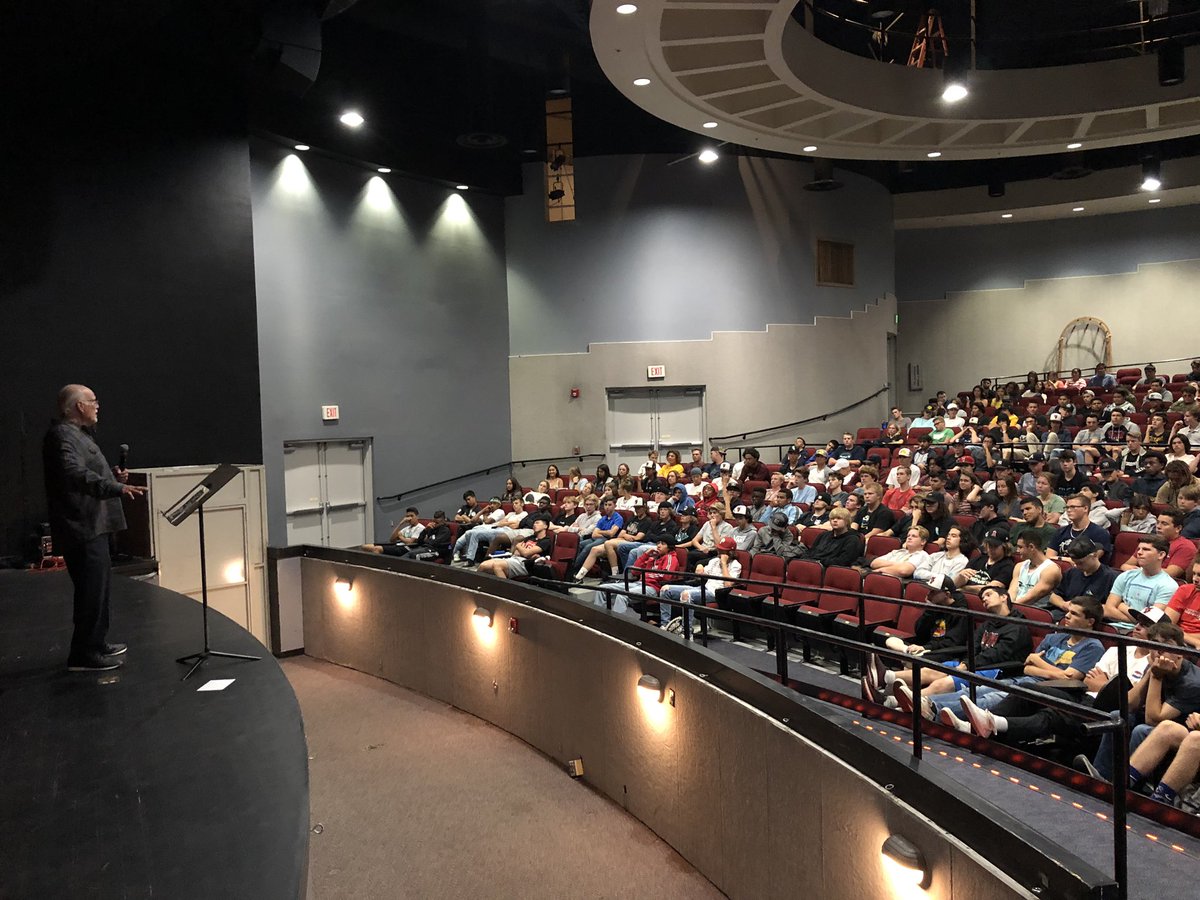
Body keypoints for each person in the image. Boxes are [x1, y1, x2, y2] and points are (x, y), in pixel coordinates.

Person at [43, 384, 147, 671]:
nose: (97, 406)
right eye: (93, 401)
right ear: (78, 406)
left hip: (93, 526)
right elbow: (73, 473)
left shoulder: (77, 435)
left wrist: (111, 474)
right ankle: (84, 655)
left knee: (98, 589)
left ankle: (97, 643)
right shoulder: (62, 436)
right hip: (82, 527)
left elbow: (84, 470)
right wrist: (114, 486)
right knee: (90, 591)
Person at [876, 586, 1032, 708]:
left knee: (942, 683)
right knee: (932, 670)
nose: (984, 599)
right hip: (973, 663)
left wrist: (967, 665)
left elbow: (999, 654)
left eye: (988, 595)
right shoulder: (988, 622)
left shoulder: (1018, 627)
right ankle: (885, 676)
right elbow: (973, 645)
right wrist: (965, 662)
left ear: (1004, 597)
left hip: (998, 669)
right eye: (982, 598)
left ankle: (898, 701)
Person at [658, 536, 741, 632]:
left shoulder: (736, 565)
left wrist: (723, 563)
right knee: (665, 589)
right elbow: (700, 575)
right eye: (719, 550)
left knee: (686, 595)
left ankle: (686, 631)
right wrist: (700, 568)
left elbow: (728, 585)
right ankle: (665, 625)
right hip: (703, 588)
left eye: (722, 551)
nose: (719, 553)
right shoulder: (714, 561)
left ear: (730, 553)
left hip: (716, 593)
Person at [1104, 535, 1178, 630]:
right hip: (1113, 627)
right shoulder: (1126, 576)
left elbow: (1150, 621)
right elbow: (1108, 609)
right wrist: (1138, 617)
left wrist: (1121, 606)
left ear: (1161, 555)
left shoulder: (1168, 585)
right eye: (1138, 549)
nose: (1139, 552)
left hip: (1141, 632)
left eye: (1146, 549)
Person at [1046, 538, 1118, 621]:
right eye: (1074, 563)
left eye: (1080, 563)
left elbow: (1110, 609)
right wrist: (1063, 604)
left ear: (1094, 555)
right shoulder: (1071, 572)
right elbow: (1054, 596)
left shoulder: (1111, 578)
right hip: (1064, 616)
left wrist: (1078, 609)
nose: (1077, 566)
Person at [478, 518, 553, 580]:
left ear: (545, 526)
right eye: (534, 523)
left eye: (537, 523)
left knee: (497, 565)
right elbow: (516, 551)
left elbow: (525, 553)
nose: (534, 525)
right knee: (483, 565)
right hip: (515, 559)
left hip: (526, 564)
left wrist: (521, 548)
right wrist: (522, 549)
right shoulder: (530, 538)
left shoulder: (545, 541)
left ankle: (506, 592)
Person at [1007, 530, 1062, 611]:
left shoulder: (1050, 570)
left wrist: (1010, 608)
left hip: (1035, 612)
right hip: (1014, 608)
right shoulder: (1019, 566)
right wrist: (1007, 605)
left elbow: (1033, 596)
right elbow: (1013, 590)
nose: (1017, 551)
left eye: (1020, 547)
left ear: (1031, 547)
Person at [1046, 494, 1112, 559]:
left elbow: (1089, 560)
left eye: (1073, 507)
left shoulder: (1100, 533)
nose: (1068, 510)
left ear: (1085, 508)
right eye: (1067, 507)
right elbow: (1049, 557)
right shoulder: (1060, 531)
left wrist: (1060, 558)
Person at [955, 526, 1015, 593]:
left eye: (995, 546)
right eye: (989, 545)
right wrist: (960, 576)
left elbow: (990, 589)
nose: (990, 549)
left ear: (1005, 547)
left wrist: (964, 588)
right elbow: (955, 585)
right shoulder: (979, 559)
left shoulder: (1008, 566)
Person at [1165, 558, 1200, 648]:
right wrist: (1195, 641)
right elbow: (1167, 624)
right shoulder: (1185, 590)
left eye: (1199, 575)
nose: (1194, 579)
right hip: (1174, 640)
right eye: (1194, 574)